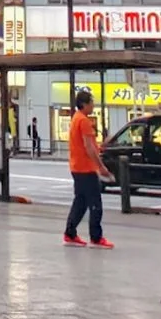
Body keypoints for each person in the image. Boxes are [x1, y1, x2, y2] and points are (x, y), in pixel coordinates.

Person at [63, 88, 110, 248]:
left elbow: (87, 145)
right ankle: (96, 237)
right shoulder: (84, 121)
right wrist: (101, 166)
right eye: (91, 103)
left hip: (76, 167)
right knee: (95, 203)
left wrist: (100, 147)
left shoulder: (76, 118)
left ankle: (70, 233)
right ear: (84, 104)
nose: (93, 105)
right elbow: (88, 147)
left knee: (80, 202)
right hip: (86, 168)